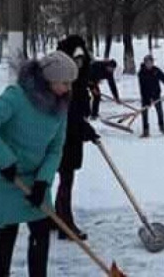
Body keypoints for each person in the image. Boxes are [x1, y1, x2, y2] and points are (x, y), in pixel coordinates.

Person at [0, 51, 78, 277]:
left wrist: (43, 180)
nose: (68, 89)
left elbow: (55, 148)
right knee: (6, 234)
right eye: (65, 83)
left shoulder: (60, 107)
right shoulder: (16, 98)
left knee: (41, 231)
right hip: (3, 177)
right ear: (48, 80)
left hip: (35, 177)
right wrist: (6, 161)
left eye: (71, 83)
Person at [55, 36, 100, 242]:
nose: (79, 64)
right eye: (75, 60)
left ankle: (58, 218)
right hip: (59, 138)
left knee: (67, 178)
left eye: (82, 60)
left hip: (72, 137)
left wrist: (84, 127)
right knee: (65, 179)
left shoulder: (80, 80)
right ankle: (65, 223)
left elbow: (79, 111)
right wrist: (83, 128)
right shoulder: (60, 82)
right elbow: (66, 113)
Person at [137, 54, 164, 138]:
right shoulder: (141, 73)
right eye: (148, 63)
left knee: (159, 111)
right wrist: (147, 100)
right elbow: (142, 88)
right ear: (145, 63)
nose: (150, 64)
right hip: (145, 95)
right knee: (144, 113)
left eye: (151, 62)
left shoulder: (156, 70)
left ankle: (162, 127)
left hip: (156, 94)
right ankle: (146, 130)